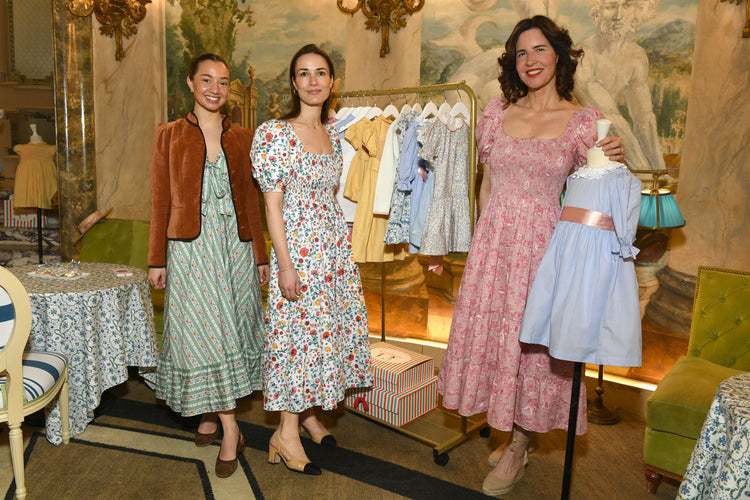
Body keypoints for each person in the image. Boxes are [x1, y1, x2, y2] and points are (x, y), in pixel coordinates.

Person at [435, 16, 625, 497]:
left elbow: (595, 191)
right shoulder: (496, 114)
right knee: (499, 338)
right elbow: (486, 186)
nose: (530, 60)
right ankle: (508, 428)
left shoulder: (584, 121)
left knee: (534, 347)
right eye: (521, 53)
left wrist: (611, 159)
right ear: (512, 62)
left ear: (559, 55)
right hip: (494, 243)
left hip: (546, 247)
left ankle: (519, 444)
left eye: (540, 49)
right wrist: (481, 243)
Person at [250, 44, 372, 476]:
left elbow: (329, 198)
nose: (313, 80)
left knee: (321, 337)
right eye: (304, 73)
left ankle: (306, 416)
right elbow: (272, 207)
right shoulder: (275, 134)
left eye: (321, 72)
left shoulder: (333, 136)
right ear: (293, 83)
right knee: (297, 340)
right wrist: (285, 264)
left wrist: (342, 249)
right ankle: (284, 434)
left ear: (332, 82)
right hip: (299, 251)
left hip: (331, 251)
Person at [147, 53, 269, 479]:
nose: (215, 89)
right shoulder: (168, 134)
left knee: (228, 331)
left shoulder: (245, 138)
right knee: (204, 334)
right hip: (190, 249)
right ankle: (231, 427)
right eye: (206, 80)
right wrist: (156, 259)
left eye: (222, 82)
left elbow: (252, 201)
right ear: (190, 83)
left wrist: (260, 255)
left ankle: (214, 416)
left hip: (235, 248)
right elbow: (160, 198)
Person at [575, 0, 664, 171]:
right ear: (598, 10)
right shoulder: (583, 55)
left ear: (639, 10)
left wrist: (659, 171)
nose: (618, 16)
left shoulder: (636, 56)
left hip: (610, 146)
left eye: (627, 6)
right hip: (583, 150)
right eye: (611, 6)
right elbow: (611, 118)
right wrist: (644, 172)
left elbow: (644, 119)